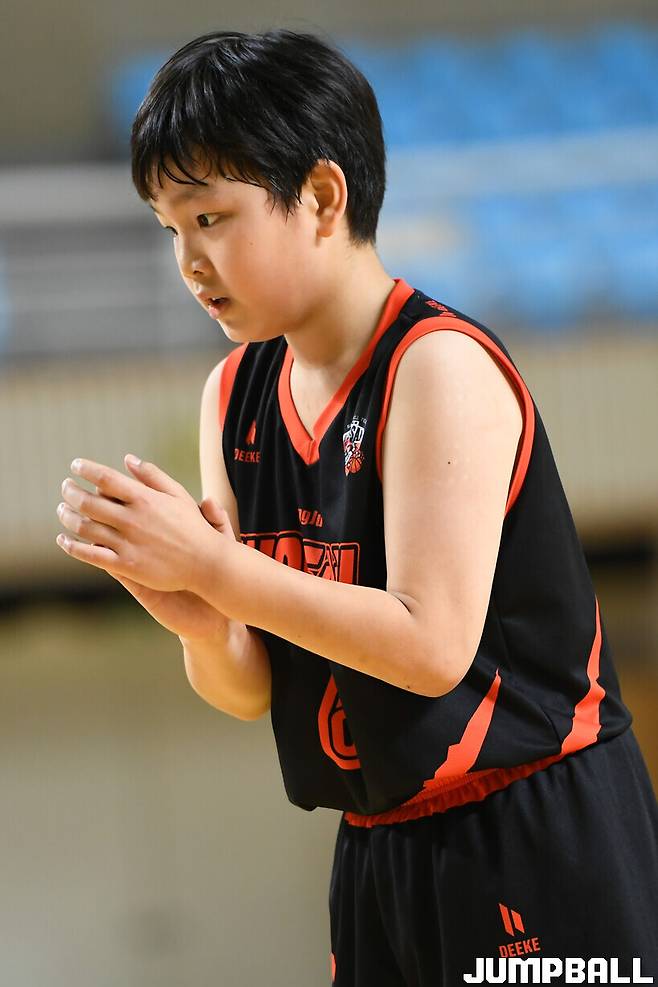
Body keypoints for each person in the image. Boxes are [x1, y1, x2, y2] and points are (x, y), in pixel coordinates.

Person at [56, 28, 658, 985]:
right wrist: (201, 622)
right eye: (171, 230)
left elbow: (431, 645)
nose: (189, 260)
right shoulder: (232, 396)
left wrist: (216, 568)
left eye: (211, 217)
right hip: (378, 845)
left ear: (324, 198)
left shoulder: (438, 366)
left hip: (536, 825)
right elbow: (251, 688)